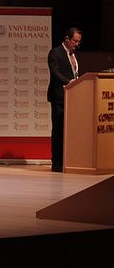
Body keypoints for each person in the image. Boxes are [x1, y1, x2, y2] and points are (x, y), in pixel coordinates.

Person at [47, 27, 82, 172]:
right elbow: (55, 73)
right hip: (59, 98)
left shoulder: (73, 55)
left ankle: (68, 161)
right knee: (58, 130)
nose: (77, 44)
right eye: (75, 41)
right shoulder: (55, 53)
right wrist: (70, 83)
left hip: (72, 97)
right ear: (67, 39)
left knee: (70, 132)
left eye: (79, 42)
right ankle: (56, 163)